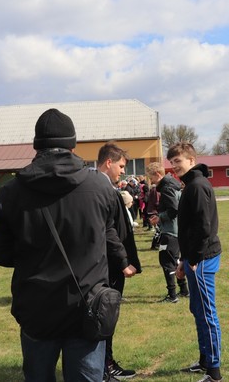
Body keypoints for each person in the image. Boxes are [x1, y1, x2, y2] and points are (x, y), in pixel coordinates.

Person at [0, 108, 122, 382]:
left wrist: (32, 255)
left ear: (37, 145)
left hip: (37, 306)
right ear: (72, 145)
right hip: (87, 304)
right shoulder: (100, 187)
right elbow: (111, 239)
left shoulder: (11, 192)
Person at [167, 142, 223, 382]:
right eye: (172, 162)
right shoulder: (190, 184)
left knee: (207, 313)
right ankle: (204, 361)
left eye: (178, 161)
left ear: (191, 160)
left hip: (203, 259)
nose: (174, 166)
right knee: (197, 310)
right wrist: (184, 259)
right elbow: (189, 229)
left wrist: (195, 258)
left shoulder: (198, 186)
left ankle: (214, 373)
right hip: (193, 259)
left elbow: (204, 227)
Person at [97, 142, 141, 381]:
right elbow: (109, 230)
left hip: (111, 262)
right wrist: (123, 261)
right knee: (105, 317)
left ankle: (106, 363)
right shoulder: (102, 190)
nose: (123, 171)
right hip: (109, 265)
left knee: (108, 317)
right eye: (121, 166)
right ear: (108, 162)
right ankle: (104, 367)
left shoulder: (106, 188)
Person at [146, 162, 189, 303]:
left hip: (170, 232)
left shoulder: (166, 188)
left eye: (151, 177)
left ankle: (172, 295)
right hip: (176, 230)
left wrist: (160, 218)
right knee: (175, 261)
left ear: (158, 174)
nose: (150, 181)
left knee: (166, 262)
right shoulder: (173, 184)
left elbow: (173, 210)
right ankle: (184, 290)